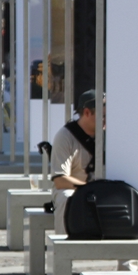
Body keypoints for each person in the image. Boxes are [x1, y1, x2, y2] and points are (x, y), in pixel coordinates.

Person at [50, 90, 97, 234]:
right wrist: (88, 188)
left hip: (103, 190)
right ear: (87, 113)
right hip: (75, 190)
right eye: (104, 116)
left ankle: (127, 254)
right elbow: (60, 180)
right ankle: (64, 249)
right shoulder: (65, 136)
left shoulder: (112, 135)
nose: (107, 120)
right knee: (66, 197)